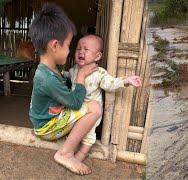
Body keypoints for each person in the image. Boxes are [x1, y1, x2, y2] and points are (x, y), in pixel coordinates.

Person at [28, 3, 101, 175]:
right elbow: (75, 103)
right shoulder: (47, 79)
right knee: (95, 108)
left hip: (45, 118)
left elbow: (65, 87)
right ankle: (65, 153)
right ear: (54, 46)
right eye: (69, 45)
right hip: (47, 126)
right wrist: (81, 77)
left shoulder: (49, 69)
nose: (70, 51)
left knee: (86, 105)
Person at [66, 34, 142, 161]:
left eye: (86, 49)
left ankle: (80, 156)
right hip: (76, 107)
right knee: (73, 129)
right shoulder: (74, 69)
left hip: (91, 113)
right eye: (78, 49)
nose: (81, 52)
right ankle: (70, 149)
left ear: (97, 56)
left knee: (88, 135)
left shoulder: (99, 72)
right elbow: (69, 77)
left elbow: (111, 83)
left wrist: (126, 80)